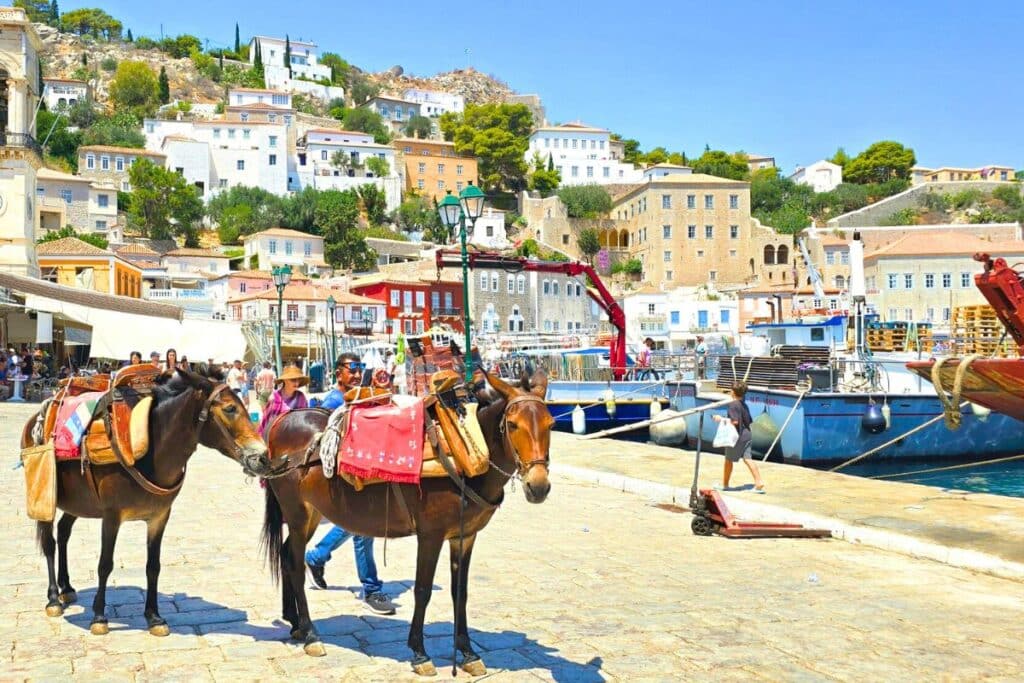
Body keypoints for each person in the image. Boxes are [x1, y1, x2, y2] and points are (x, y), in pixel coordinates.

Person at [305, 352, 396, 616]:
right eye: (351, 369)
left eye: (359, 369)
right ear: (338, 373)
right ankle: (371, 589)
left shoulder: (359, 397)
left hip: (363, 472)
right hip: (341, 476)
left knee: (357, 526)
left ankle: (316, 557)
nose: (357, 374)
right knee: (363, 530)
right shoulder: (334, 402)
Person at [713, 382, 765, 493]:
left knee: (728, 460)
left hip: (737, 436)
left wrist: (720, 419)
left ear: (733, 392)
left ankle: (725, 485)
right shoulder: (743, 404)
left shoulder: (733, 404)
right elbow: (749, 421)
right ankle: (759, 482)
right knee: (748, 459)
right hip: (747, 434)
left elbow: (735, 422)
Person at [258, 364, 309, 439]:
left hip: (296, 437)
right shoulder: (274, 397)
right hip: (276, 438)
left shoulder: (301, 397)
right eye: (293, 380)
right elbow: (267, 422)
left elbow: (305, 419)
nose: (297, 383)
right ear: (285, 380)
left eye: (299, 380)